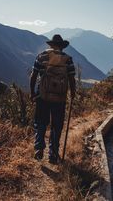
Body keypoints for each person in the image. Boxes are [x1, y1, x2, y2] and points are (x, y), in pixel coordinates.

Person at [30, 34, 76, 164]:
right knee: (57, 126)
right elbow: (72, 79)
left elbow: (33, 75)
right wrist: (72, 94)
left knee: (40, 122)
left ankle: (39, 148)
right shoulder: (68, 59)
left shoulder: (42, 56)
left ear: (51, 45)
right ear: (62, 46)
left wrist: (33, 93)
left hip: (42, 96)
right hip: (59, 98)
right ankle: (53, 154)